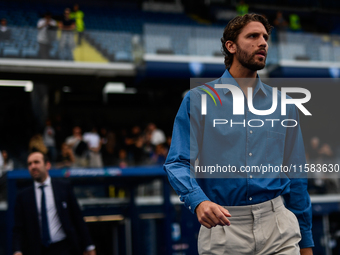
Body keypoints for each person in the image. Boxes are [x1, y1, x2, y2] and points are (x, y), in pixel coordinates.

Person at [164, 14, 313, 255]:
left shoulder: (285, 104)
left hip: (278, 226)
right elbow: (177, 163)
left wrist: (306, 242)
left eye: (265, 37)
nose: (263, 42)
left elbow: (296, 176)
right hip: (224, 226)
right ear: (230, 46)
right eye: (253, 36)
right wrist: (198, 201)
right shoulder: (197, 100)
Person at [12, 152, 96, 255]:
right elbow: (18, 228)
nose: (33, 166)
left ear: (47, 165)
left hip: (64, 248)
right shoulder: (23, 196)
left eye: (36, 162)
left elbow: (77, 217)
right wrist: (17, 250)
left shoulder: (63, 187)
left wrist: (89, 245)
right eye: (29, 164)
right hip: (37, 249)